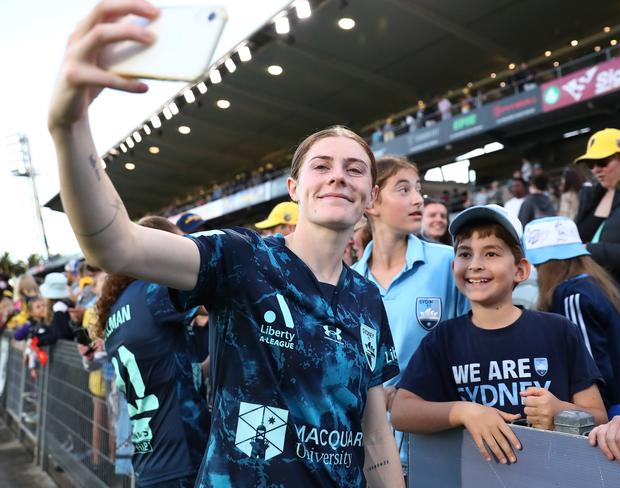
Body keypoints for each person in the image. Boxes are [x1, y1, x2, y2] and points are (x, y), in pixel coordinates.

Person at [47, 3, 402, 484]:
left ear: (370, 197)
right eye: (321, 165)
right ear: (295, 189)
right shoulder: (242, 258)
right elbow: (115, 246)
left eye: (355, 168)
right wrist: (69, 127)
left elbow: (376, 438)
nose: (338, 175)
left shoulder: (367, 299)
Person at [391, 205, 607, 464]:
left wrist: (561, 411)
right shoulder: (443, 339)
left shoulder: (558, 330)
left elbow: (599, 415)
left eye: (491, 253)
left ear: (520, 270)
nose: (475, 265)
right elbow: (402, 411)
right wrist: (464, 411)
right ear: (453, 266)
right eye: (465, 253)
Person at [353, 155, 468, 469]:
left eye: (418, 189)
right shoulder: (350, 282)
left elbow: (472, 345)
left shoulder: (447, 263)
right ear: (371, 201)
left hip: (439, 446)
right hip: (370, 453)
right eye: (403, 190)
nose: (418, 199)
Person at [94, 216, 210, 487]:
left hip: (150, 460)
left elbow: (163, 370)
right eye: (181, 243)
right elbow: (219, 301)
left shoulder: (115, 312)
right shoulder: (154, 291)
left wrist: (214, 362)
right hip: (183, 457)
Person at [524, 216, 620, 418]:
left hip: (610, 416)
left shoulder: (574, 295)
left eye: (538, 265)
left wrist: (590, 415)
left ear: (549, 265)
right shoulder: (598, 284)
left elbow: (590, 370)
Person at [574, 128, 620, 405]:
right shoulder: (593, 196)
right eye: (591, 164)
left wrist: (596, 251)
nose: (595, 169)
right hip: (595, 313)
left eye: (603, 162)